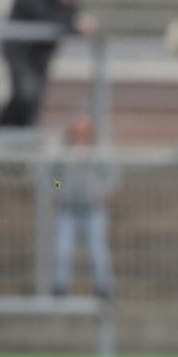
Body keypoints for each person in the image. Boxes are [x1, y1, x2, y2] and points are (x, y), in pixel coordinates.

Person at [0, 0, 96, 128]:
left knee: (33, 101)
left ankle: (19, 132)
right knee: (25, 93)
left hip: (40, 57)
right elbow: (47, 18)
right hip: (20, 54)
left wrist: (75, 19)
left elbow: (70, 18)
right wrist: (74, 24)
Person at [42, 112, 118, 298]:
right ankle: (60, 287)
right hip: (68, 209)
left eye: (85, 132)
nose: (81, 137)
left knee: (97, 250)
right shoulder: (62, 152)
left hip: (93, 209)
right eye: (77, 132)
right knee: (63, 249)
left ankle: (103, 288)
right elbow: (55, 179)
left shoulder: (100, 152)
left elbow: (111, 176)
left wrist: (101, 192)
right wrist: (60, 190)